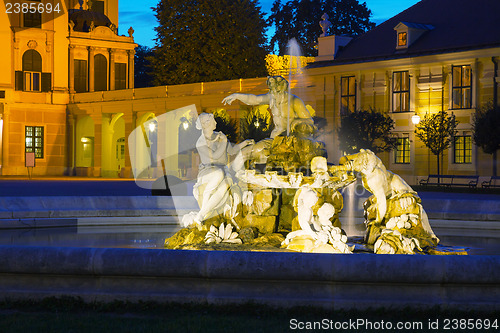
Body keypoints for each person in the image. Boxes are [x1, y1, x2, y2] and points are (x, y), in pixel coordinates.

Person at [184, 113, 253, 226]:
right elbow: (213, 157)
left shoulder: (219, 136)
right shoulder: (201, 142)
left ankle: (201, 215)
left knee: (226, 183)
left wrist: (245, 143)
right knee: (219, 174)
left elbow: (232, 150)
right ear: (205, 124)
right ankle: (206, 198)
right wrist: (224, 142)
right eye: (213, 121)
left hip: (222, 170)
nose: (216, 123)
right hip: (207, 171)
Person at [222, 76, 314, 138]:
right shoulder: (272, 97)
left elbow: (309, 120)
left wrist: (298, 121)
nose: (273, 93)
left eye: (276, 91)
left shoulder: (295, 101)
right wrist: (237, 96)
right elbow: (254, 99)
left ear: (282, 89)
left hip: (291, 136)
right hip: (276, 135)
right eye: (271, 90)